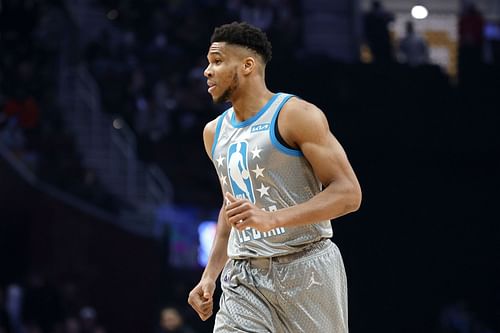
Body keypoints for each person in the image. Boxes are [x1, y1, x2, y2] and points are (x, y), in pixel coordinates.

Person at [187, 22, 362, 332]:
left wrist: (272, 219)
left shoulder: (296, 114)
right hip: (245, 279)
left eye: (216, 61)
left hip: (307, 266)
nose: (207, 71)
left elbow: (349, 193)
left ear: (247, 65)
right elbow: (232, 207)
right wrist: (210, 274)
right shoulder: (213, 133)